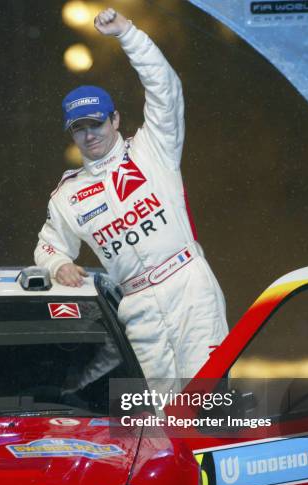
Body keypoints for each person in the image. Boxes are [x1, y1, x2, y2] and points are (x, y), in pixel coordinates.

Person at [35, 7, 228, 382]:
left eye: (96, 123)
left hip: (188, 286)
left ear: (116, 119)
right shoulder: (67, 195)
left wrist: (128, 34)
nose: (89, 135)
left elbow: (165, 89)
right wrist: (58, 265)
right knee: (156, 419)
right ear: (71, 134)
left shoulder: (153, 148)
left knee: (207, 402)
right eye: (79, 129)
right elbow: (48, 246)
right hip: (137, 308)